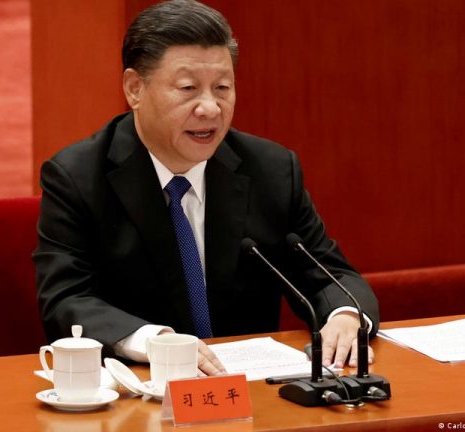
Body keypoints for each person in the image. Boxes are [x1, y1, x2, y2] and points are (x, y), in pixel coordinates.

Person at [34, 0, 379, 376]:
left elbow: (332, 275)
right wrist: (154, 341)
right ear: (135, 89)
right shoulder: (78, 177)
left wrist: (345, 315)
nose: (211, 108)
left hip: (252, 391)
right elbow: (65, 298)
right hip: (141, 389)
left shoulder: (271, 170)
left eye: (222, 88)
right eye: (188, 88)